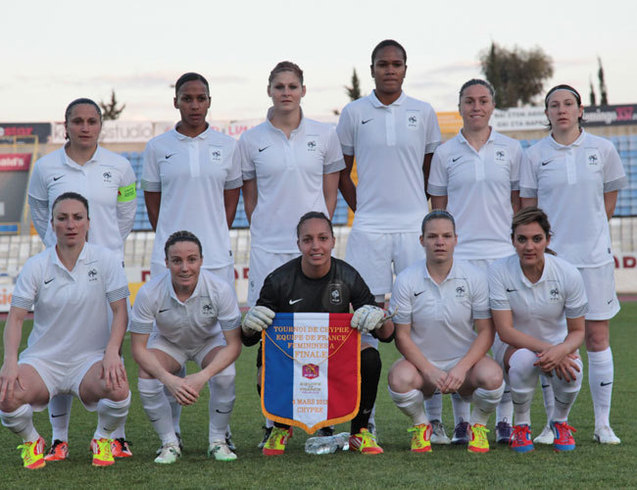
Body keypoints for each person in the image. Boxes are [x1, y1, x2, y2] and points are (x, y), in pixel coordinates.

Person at [27, 98, 136, 461]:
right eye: (78, 121)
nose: (85, 127)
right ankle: (59, 438)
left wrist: (108, 250)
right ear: (66, 125)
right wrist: (56, 251)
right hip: (61, 269)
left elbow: (126, 213)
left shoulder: (120, 167)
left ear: (100, 125)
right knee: (57, 347)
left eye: (92, 121)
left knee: (111, 349)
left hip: (104, 272)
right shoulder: (45, 168)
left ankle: (113, 436)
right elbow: (41, 211)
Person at [520, 84, 627, 444]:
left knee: (597, 338)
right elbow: (528, 212)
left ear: (581, 110)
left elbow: (607, 205)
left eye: (568, 104)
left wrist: (590, 235)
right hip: (553, 263)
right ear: (547, 113)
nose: (562, 110)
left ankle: (602, 424)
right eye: (554, 105)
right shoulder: (534, 156)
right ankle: (553, 424)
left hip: (594, 261)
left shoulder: (604, 149)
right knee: (555, 342)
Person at [240, 212, 394, 456]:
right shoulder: (278, 280)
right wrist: (248, 326)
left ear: (333, 241)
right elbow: (249, 339)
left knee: (371, 357)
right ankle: (280, 427)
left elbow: (386, 335)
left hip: (334, 351)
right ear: (298, 243)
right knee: (264, 371)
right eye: (308, 239)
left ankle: (360, 432)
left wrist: (380, 318)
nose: (316, 246)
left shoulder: (348, 276)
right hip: (290, 352)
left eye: (322, 238)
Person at [142, 72, 241, 449]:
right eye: (187, 98)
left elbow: (230, 199)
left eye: (201, 98)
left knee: (219, 345)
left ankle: (221, 434)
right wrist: (173, 246)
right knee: (167, 342)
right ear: (176, 102)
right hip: (169, 258)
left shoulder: (227, 147)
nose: (194, 105)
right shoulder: (157, 147)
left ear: (209, 101)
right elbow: (154, 202)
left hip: (214, 258)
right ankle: (173, 433)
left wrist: (213, 233)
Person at [0, 192, 131, 469]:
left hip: (90, 359)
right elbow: (15, 319)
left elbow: (121, 312)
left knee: (119, 387)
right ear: (52, 223)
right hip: (43, 361)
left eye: (77, 218)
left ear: (88, 223)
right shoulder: (36, 266)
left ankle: (103, 438)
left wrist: (111, 352)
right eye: (62, 218)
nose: (70, 224)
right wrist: (10, 362)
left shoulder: (106, 260)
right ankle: (31, 440)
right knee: (7, 394)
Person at [428, 79, 522, 444]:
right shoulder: (445, 153)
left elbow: (519, 205)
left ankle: (504, 418)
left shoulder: (512, 150)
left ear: (492, 106)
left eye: (483, 100)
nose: (476, 107)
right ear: (460, 106)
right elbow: (439, 211)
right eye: (469, 101)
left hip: (501, 255)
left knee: (502, 338)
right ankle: (461, 422)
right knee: (461, 336)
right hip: (461, 258)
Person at [387, 210, 504, 454]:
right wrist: (429, 370)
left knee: (493, 376)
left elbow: (485, 332)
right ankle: (422, 426)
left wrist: (461, 368)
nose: (440, 242)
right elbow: (402, 336)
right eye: (433, 236)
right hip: (423, 366)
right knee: (398, 378)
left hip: (466, 366)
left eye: (446, 236)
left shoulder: (474, 277)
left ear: (455, 239)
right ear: (422, 240)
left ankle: (477, 426)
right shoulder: (406, 279)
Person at [337, 39, 441, 307]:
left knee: (420, 304)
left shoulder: (424, 111)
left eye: (396, 64)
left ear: (405, 69)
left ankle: (413, 352)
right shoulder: (353, 112)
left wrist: (418, 202)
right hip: (369, 226)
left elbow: (432, 170)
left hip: (413, 224)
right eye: (383, 65)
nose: (390, 70)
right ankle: (369, 351)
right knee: (367, 307)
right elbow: (341, 173)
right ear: (372, 70)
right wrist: (361, 209)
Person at [130, 231, 242, 464]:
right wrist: (168, 379)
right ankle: (170, 443)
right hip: (168, 344)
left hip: (208, 343)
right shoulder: (149, 292)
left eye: (191, 259)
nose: (184, 267)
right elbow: (138, 349)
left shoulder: (220, 289)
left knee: (226, 372)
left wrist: (202, 376)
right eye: (177, 261)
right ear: (167, 263)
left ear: (201, 260)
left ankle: (218, 440)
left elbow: (233, 345)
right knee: (147, 374)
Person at [240, 61, 345, 307]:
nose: (286, 92)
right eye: (279, 87)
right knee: (265, 321)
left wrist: (317, 236)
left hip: (311, 248)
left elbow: (330, 195)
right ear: (269, 91)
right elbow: (250, 200)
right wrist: (265, 228)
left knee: (316, 319)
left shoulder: (325, 135)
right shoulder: (250, 139)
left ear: (303, 91)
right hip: (268, 247)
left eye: (292, 86)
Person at [489, 207, 587, 452]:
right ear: (512, 240)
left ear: (548, 240)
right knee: (524, 360)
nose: (529, 246)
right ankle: (522, 426)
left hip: (556, 345)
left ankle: (560, 422)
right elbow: (505, 331)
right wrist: (552, 351)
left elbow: (578, 331)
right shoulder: (499, 271)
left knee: (574, 368)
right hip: (513, 348)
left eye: (536, 239)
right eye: (522, 239)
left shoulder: (568, 273)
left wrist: (562, 350)